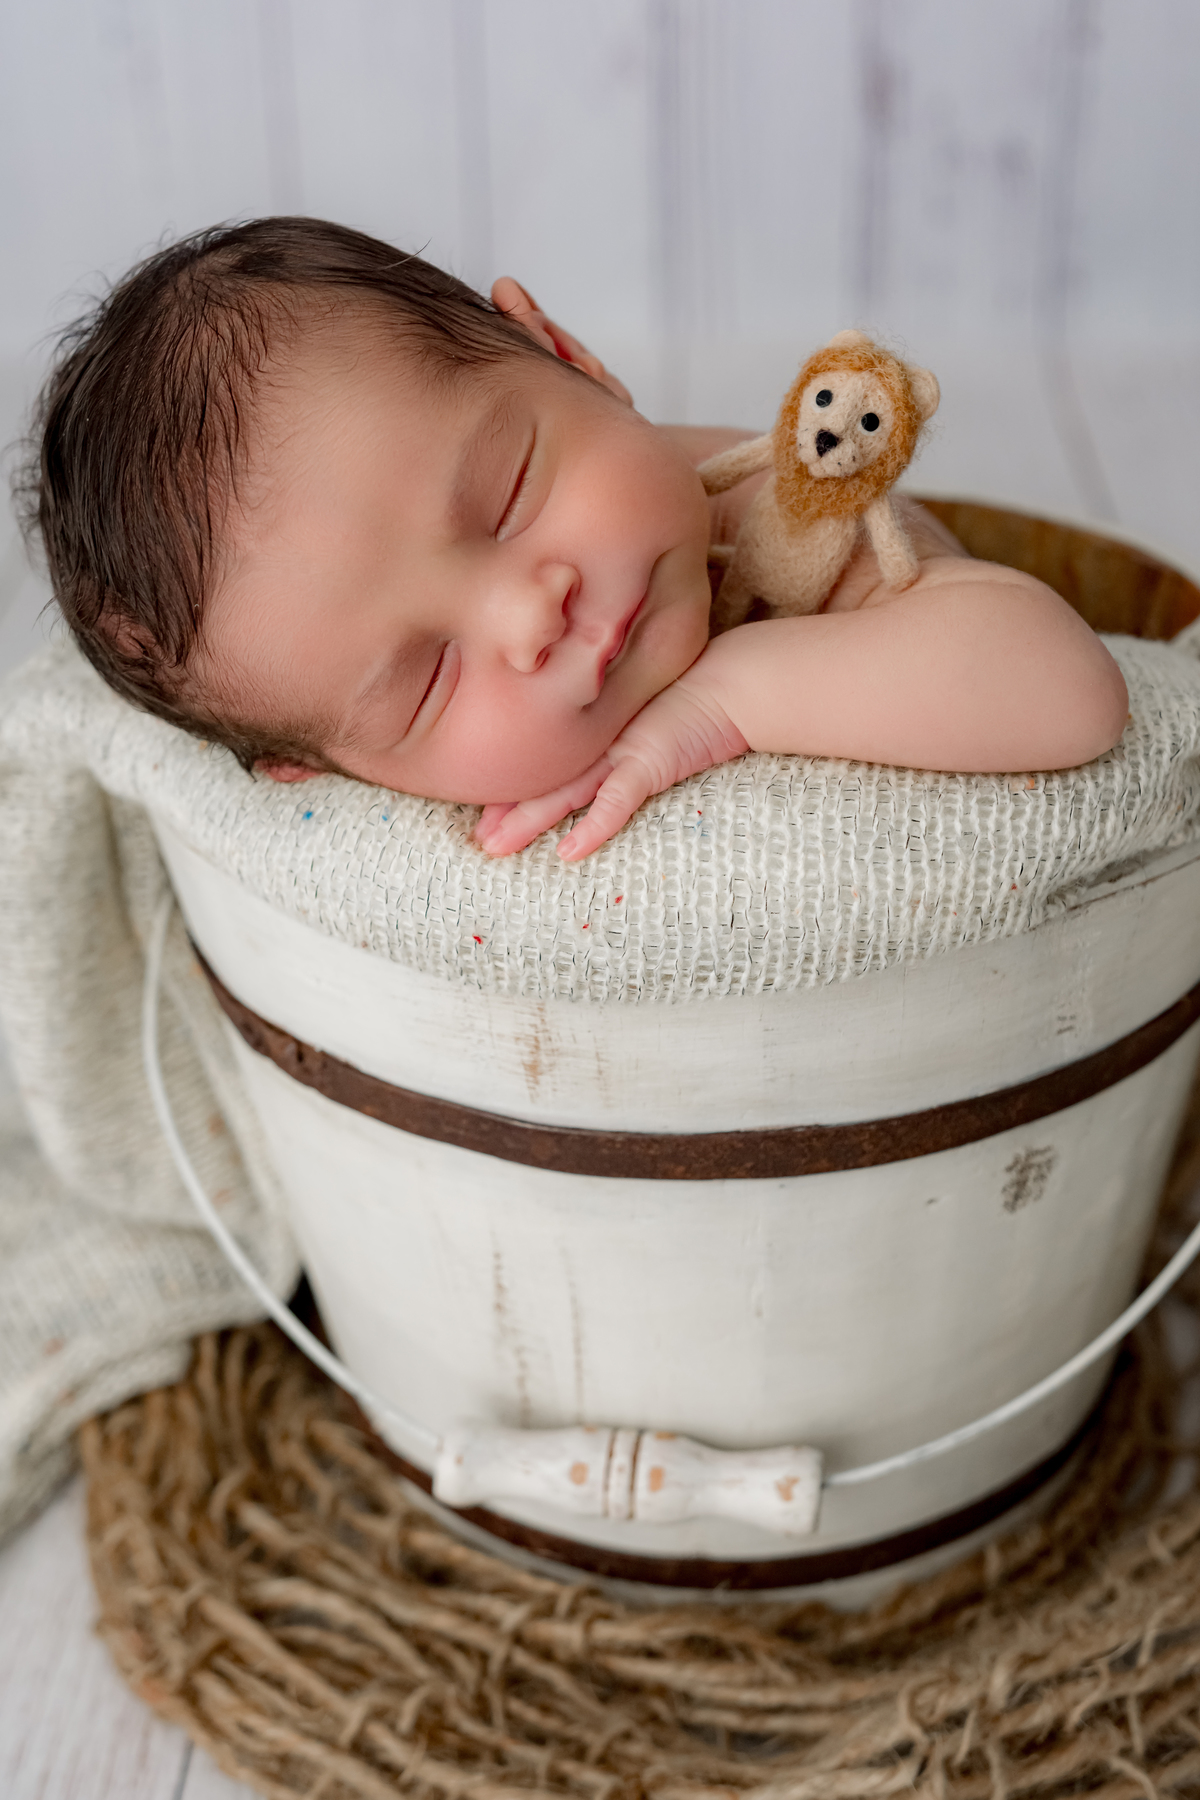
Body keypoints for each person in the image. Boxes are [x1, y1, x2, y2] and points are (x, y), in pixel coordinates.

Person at [22, 218, 1128, 862]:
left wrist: (726, 700)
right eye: (424, 683)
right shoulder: (368, 841)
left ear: (567, 353)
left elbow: (1069, 689)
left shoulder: (770, 517)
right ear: (323, 772)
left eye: (505, 495)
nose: (528, 612)